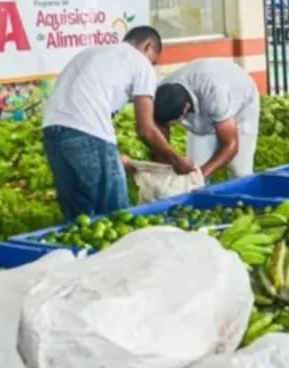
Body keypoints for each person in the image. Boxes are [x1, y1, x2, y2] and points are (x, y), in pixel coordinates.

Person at [42, 26, 187, 221]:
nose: (151, 65)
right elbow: (146, 129)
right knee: (116, 217)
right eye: (153, 60)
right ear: (148, 46)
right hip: (87, 132)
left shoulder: (92, 53)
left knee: (78, 219)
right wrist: (177, 160)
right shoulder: (140, 63)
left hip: (52, 132)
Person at [152, 58, 260, 179]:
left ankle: (241, 196)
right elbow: (160, 138)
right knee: (195, 166)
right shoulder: (161, 94)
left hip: (241, 103)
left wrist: (201, 175)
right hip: (204, 105)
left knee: (239, 170)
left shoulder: (215, 95)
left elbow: (231, 145)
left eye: (174, 123)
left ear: (185, 109)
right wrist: (163, 169)